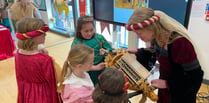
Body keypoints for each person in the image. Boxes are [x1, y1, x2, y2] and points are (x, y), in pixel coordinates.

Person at [125, 7, 204, 103]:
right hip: (165, 91)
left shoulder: (180, 43)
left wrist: (167, 84)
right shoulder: (157, 39)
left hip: (180, 93)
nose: (138, 37)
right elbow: (152, 51)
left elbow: (195, 77)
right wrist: (132, 51)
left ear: (152, 27)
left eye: (139, 33)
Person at [15, 18, 60, 103]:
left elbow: (19, 77)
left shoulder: (18, 54)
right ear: (33, 38)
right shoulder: (45, 60)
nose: (45, 36)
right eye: (42, 34)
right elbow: (54, 81)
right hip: (43, 94)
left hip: (27, 92)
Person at [71, 15, 112, 85]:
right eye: (86, 31)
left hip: (102, 68)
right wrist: (94, 67)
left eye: (91, 30)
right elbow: (75, 63)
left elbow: (110, 50)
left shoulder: (99, 38)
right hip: (86, 72)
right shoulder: (76, 44)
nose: (89, 33)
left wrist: (106, 52)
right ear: (79, 30)